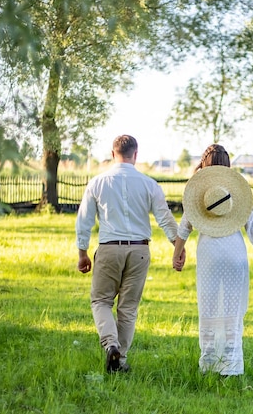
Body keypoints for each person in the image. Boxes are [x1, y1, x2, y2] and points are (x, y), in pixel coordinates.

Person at [76, 134, 183, 373]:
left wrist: (82, 252)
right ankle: (120, 360)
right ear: (136, 154)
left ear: (113, 154)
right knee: (128, 307)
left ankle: (110, 344)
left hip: (109, 248)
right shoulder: (149, 184)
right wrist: (178, 248)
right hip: (140, 250)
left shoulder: (97, 182)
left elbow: (84, 220)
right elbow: (165, 219)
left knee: (101, 300)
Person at [172, 144, 253, 376]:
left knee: (209, 307)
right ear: (227, 164)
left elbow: (184, 228)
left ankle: (209, 362)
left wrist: (177, 254)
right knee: (232, 307)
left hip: (210, 254)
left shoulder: (198, 192)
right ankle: (230, 364)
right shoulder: (235, 191)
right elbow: (252, 228)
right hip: (234, 254)